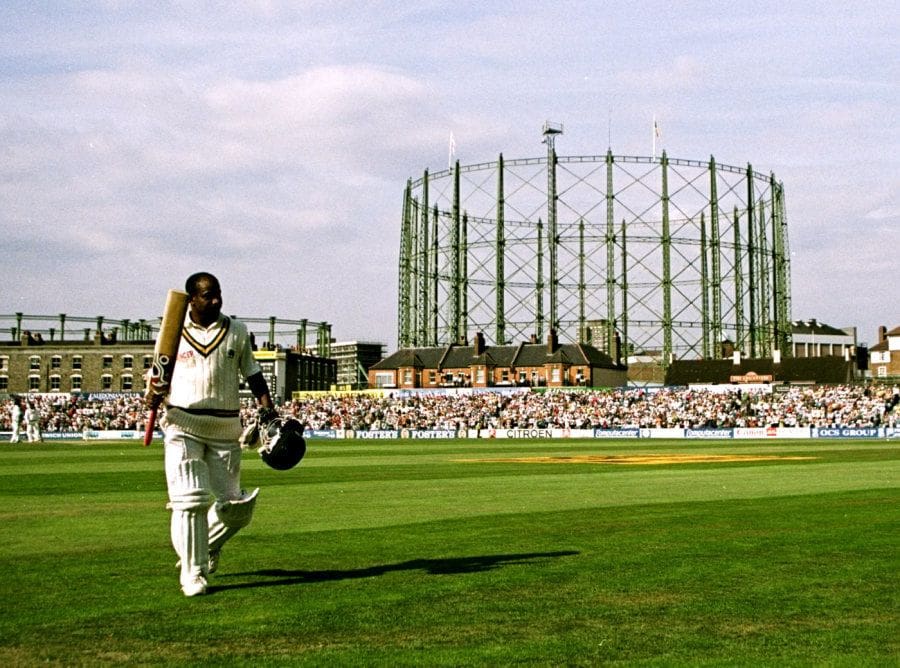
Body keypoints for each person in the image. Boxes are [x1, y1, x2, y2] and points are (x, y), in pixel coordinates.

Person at [146, 272, 276, 597]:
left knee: (236, 508)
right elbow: (157, 377)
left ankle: (201, 549)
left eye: (218, 293)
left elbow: (254, 374)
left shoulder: (237, 331)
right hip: (182, 423)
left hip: (224, 427)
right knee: (189, 502)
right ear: (192, 299)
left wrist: (267, 407)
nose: (216, 300)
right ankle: (194, 575)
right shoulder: (173, 330)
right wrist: (152, 393)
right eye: (208, 295)